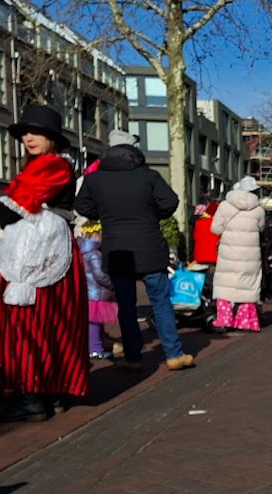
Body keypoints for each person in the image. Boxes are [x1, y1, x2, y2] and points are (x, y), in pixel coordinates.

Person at [0, 104, 89, 422]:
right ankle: (50, 394)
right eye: (25, 133)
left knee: (30, 323)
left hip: (40, 254)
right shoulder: (44, 165)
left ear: (52, 137)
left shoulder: (53, 165)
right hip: (44, 252)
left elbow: (12, 207)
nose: (28, 138)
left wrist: (0, 204)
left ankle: (32, 398)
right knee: (52, 322)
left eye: (37, 132)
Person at [73, 129, 194, 372]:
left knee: (126, 306)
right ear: (135, 153)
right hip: (149, 246)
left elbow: (82, 206)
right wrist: (151, 215)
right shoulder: (148, 176)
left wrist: (104, 214)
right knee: (161, 302)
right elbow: (170, 201)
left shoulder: (95, 179)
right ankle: (174, 354)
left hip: (117, 249)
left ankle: (133, 357)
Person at [210, 176, 266, 332]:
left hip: (229, 253)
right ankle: (245, 321)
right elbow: (261, 228)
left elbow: (215, 229)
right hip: (250, 255)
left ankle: (224, 320)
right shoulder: (259, 209)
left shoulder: (225, 206)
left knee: (225, 285)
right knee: (248, 286)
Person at [77, 220, 119, 360]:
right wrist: (112, 284)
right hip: (97, 292)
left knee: (95, 321)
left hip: (89, 291)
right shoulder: (94, 253)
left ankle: (98, 343)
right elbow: (100, 275)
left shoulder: (81, 251)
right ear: (95, 235)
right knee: (94, 322)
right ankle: (95, 349)